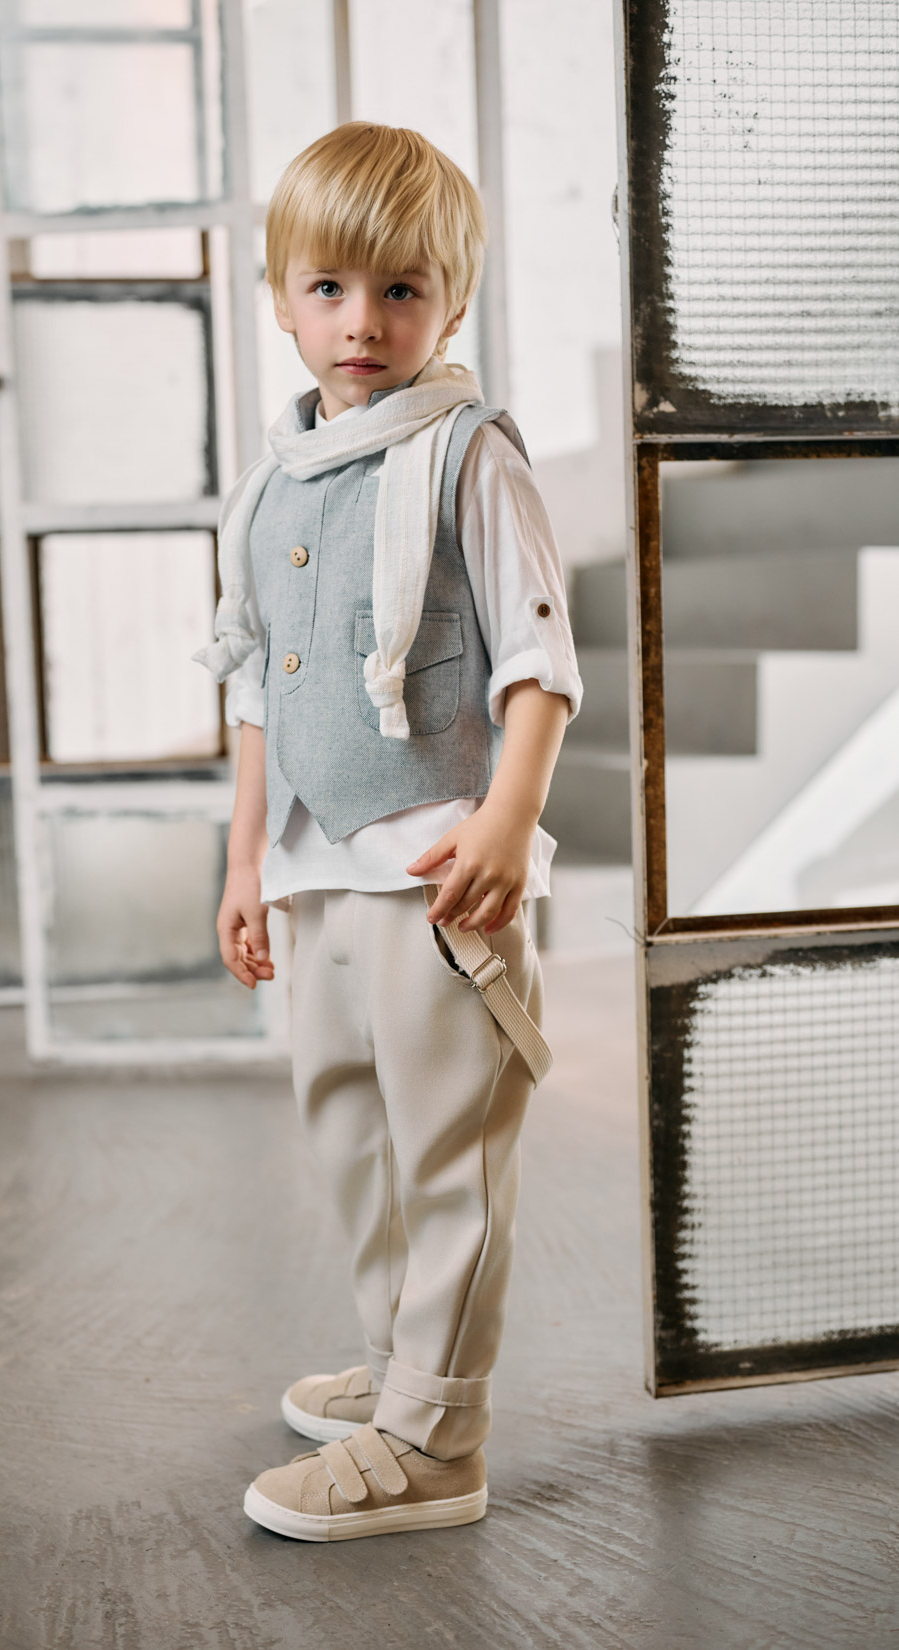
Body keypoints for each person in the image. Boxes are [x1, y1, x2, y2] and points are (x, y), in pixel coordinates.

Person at [195, 122, 582, 1542]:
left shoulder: (469, 455)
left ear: (452, 304)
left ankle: (435, 1438)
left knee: (446, 1148)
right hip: (317, 871)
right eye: (332, 289)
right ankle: (398, 1364)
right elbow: (256, 682)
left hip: (435, 879)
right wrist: (246, 859)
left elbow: (539, 663)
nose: (364, 322)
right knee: (351, 1132)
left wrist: (508, 818)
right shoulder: (277, 480)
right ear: (282, 299)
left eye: (402, 290)